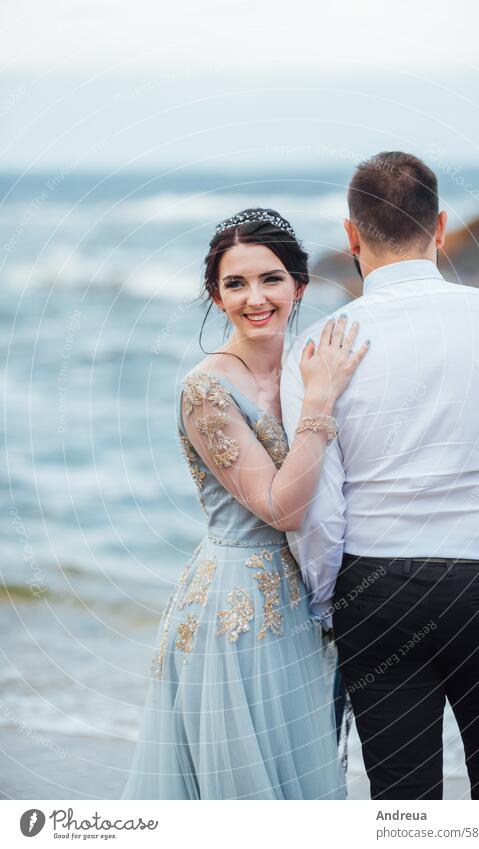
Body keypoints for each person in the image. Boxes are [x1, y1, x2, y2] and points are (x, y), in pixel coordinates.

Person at [281, 151, 479, 800]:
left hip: (378, 585)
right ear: (442, 226)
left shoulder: (321, 345)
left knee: (404, 801)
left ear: (351, 235)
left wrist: (324, 596)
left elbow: (320, 503)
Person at [121, 207, 369, 800]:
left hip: (307, 600)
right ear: (216, 295)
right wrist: (321, 402)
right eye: (236, 283)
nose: (255, 298)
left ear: (299, 286)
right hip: (237, 608)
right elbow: (280, 510)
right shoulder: (206, 391)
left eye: (271, 279)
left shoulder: (306, 367)